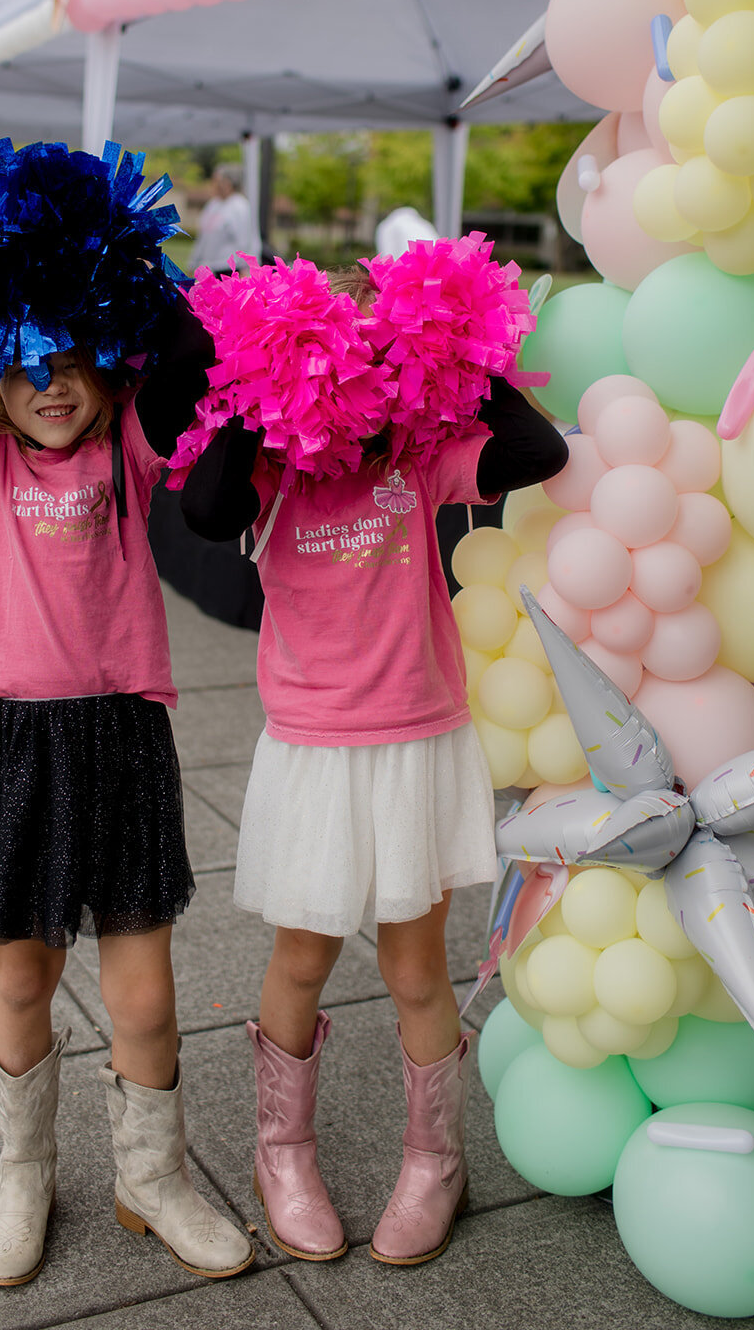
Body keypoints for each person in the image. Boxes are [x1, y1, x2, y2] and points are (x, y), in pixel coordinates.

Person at [0, 138, 254, 1289]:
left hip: (123, 740)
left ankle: (152, 1172)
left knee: (144, 988)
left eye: (75, 357)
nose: (53, 381)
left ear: (108, 363)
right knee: (21, 978)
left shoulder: (131, 448)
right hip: (14, 742)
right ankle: (23, 1169)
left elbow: (190, 355)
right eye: (26, 358)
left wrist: (123, 265)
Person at [180, 259, 566, 1268]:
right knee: (301, 958)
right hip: (312, 753)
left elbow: (536, 446)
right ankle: (282, 1152)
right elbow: (203, 506)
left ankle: (435, 1160)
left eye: (362, 360)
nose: (344, 380)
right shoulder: (265, 474)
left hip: (415, 745)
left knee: (411, 967)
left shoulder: (414, 462)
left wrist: (439, 348)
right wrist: (253, 389)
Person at [188, 163, 252, 276]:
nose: (213, 184)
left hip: (228, 269)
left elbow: (244, 241)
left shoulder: (239, 206)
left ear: (228, 183)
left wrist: (244, 267)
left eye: (217, 180)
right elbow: (203, 237)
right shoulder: (213, 204)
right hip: (210, 267)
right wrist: (193, 263)